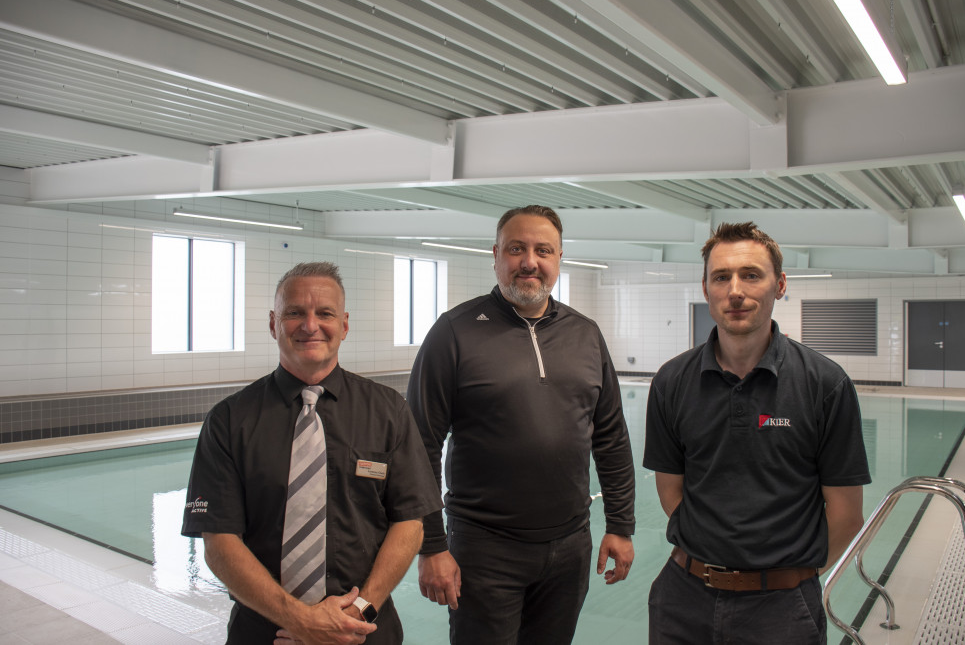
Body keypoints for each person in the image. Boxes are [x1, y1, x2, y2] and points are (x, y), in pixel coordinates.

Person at [407, 205, 636, 645]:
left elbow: (610, 437)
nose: (529, 261)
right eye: (517, 249)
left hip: (570, 545)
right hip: (484, 548)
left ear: (558, 259)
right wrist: (432, 545)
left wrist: (621, 526)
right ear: (496, 255)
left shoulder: (585, 334)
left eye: (542, 250)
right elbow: (419, 447)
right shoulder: (454, 333)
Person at [181, 262, 442, 645]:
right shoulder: (229, 421)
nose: (309, 325)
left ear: (345, 325)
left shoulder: (387, 411)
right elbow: (220, 544)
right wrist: (300, 620)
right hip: (269, 633)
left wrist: (357, 612)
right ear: (273, 323)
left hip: (364, 631)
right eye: (294, 313)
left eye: (324, 313)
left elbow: (410, 523)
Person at [643, 222, 871, 644]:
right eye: (721, 276)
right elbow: (671, 492)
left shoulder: (824, 383)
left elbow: (846, 514)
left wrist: (788, 578)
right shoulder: (672, 381)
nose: (735, 290)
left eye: (751, 274)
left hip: (782, 610)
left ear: (779, 284)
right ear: (706, 288)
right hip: (683, 599)